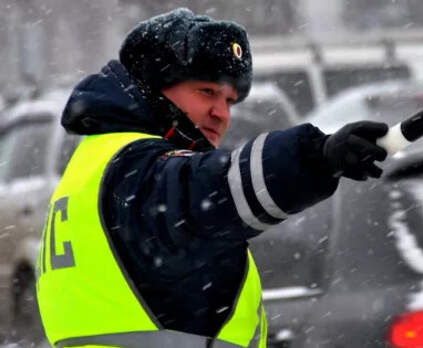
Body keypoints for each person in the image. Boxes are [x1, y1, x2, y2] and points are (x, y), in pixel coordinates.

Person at [36, 8, 388, 348]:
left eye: (230, 100)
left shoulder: (99, 162)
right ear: (152, 88)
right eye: (207, 92)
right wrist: (317, 157)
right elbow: (213, 188)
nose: (221, 113)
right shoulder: (137, 167)